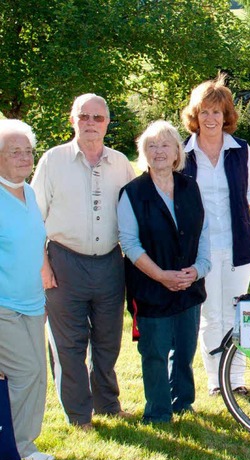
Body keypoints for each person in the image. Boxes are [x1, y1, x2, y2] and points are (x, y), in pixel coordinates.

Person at [31, 94, 135, 429]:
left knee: (108, 339)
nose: (90, 123)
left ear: (107, 123)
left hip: (109, 262)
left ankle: (108, 404)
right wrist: (43, 266)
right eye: (84, 116)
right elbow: (33, 218)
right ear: (72, 120)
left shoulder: (120, 163)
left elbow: (134, 216)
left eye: (98, 118)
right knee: (69, 343)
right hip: (64, 262)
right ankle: (78, 414)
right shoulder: (53, 160)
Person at [118, 121, 211, 423]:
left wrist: (198, 270)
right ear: (143, 153)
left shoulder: (190, 186)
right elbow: (129, 244)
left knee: (185, 349)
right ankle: (158, 412)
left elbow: (204, 232)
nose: (158, 151)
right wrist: (160, 275)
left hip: (189, 284)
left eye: (165, 145)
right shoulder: (132, 193)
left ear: (176, 153)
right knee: (155, 351)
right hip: (150, 286)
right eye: (151, 146)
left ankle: (183, 402)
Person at [181, 76, 250, 396]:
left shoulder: (240, 150)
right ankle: (217, 382)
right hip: (200, 250)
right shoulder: (183, 152)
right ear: (195, 115)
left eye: (217, 112)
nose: (211, 118)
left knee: (235, 314)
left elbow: (248, 195)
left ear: (226, 114)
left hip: (237, 246)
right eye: (205, 112)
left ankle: (237, 380)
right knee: (210, 316)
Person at [0, 119, 54, 460]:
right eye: (14, 151)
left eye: (28, 151)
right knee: (24, 372)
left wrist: (45, 267)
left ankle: (26, 443)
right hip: (5, 305)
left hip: (34, 300)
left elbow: (37, 241)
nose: (23, 157)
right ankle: (7, 451)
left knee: (39, 375)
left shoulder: (30, 192)